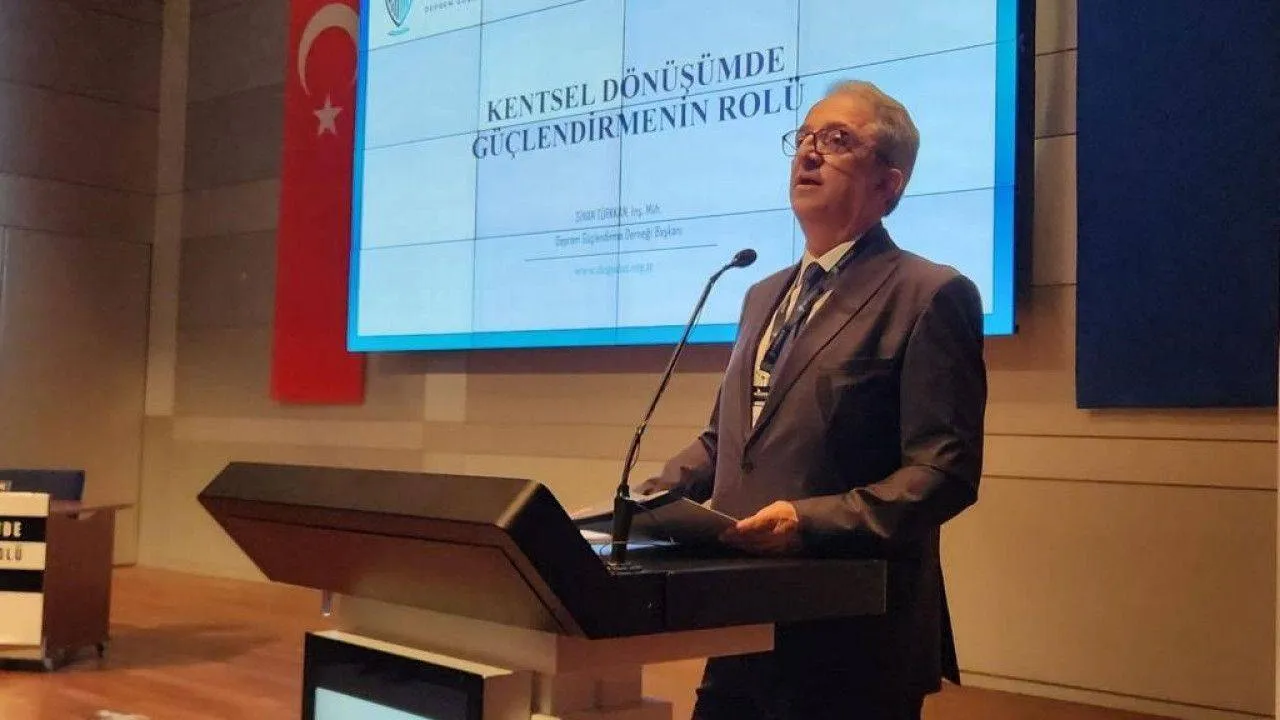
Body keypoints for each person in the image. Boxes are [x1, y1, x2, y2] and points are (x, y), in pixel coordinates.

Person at [641, 80, 987, 719]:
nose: (808, 152)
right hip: (743, 624)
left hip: (854, 640)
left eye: (837, 140)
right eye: (803, 137)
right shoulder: (759, 294)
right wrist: (643, 502)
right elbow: (727, 441)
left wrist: (809, 522)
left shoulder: (930, 294)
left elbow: (943, 473)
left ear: (889, 184)